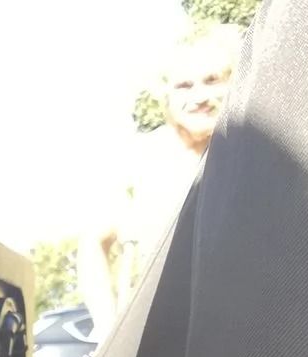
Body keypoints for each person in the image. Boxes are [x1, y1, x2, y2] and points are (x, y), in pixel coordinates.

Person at [77, 25, 242, 337]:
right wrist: (108, 329)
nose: (199, 97)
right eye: (184, 86)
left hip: (233, 341)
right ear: (166, 97)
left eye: (212, 81)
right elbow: (93, 243)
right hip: (152, 344)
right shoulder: (141, 161)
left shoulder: (250, 153)